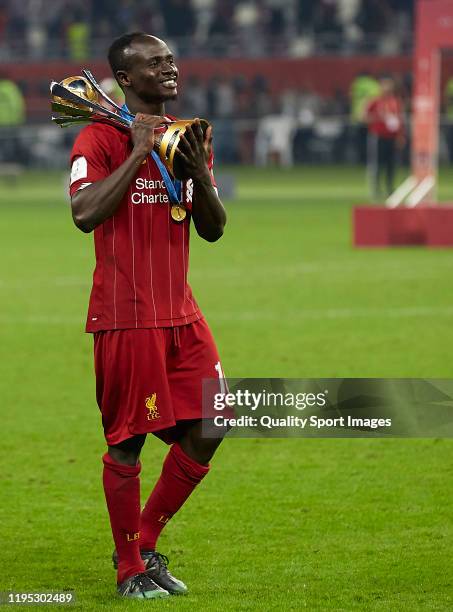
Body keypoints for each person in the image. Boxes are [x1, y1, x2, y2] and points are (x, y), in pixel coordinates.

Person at [68, 32, 227, 599]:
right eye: (154, 62)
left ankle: (145, 542)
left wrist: (200, 174)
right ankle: (128, 569)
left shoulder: (190, 137)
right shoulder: (98, 137)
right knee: (128, 443)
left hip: (181, 315)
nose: (169, 67)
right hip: (127, 314)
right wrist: (137, 150)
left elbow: (212, 228)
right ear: (125, 79)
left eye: (171, 59)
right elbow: (84, 213)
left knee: (214, 423)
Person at [365, 74, 405, 200]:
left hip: (392, 137)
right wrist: (378, 118)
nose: (386, 87)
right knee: (377, 164)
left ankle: (390, 188)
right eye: (384, 84)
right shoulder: (375, 101)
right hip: (378, 136)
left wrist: (400, 135)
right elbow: (364, 117)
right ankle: (375, 188)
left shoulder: (395, 101)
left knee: (391, 164)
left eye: (389, 84)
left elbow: (400, 119)